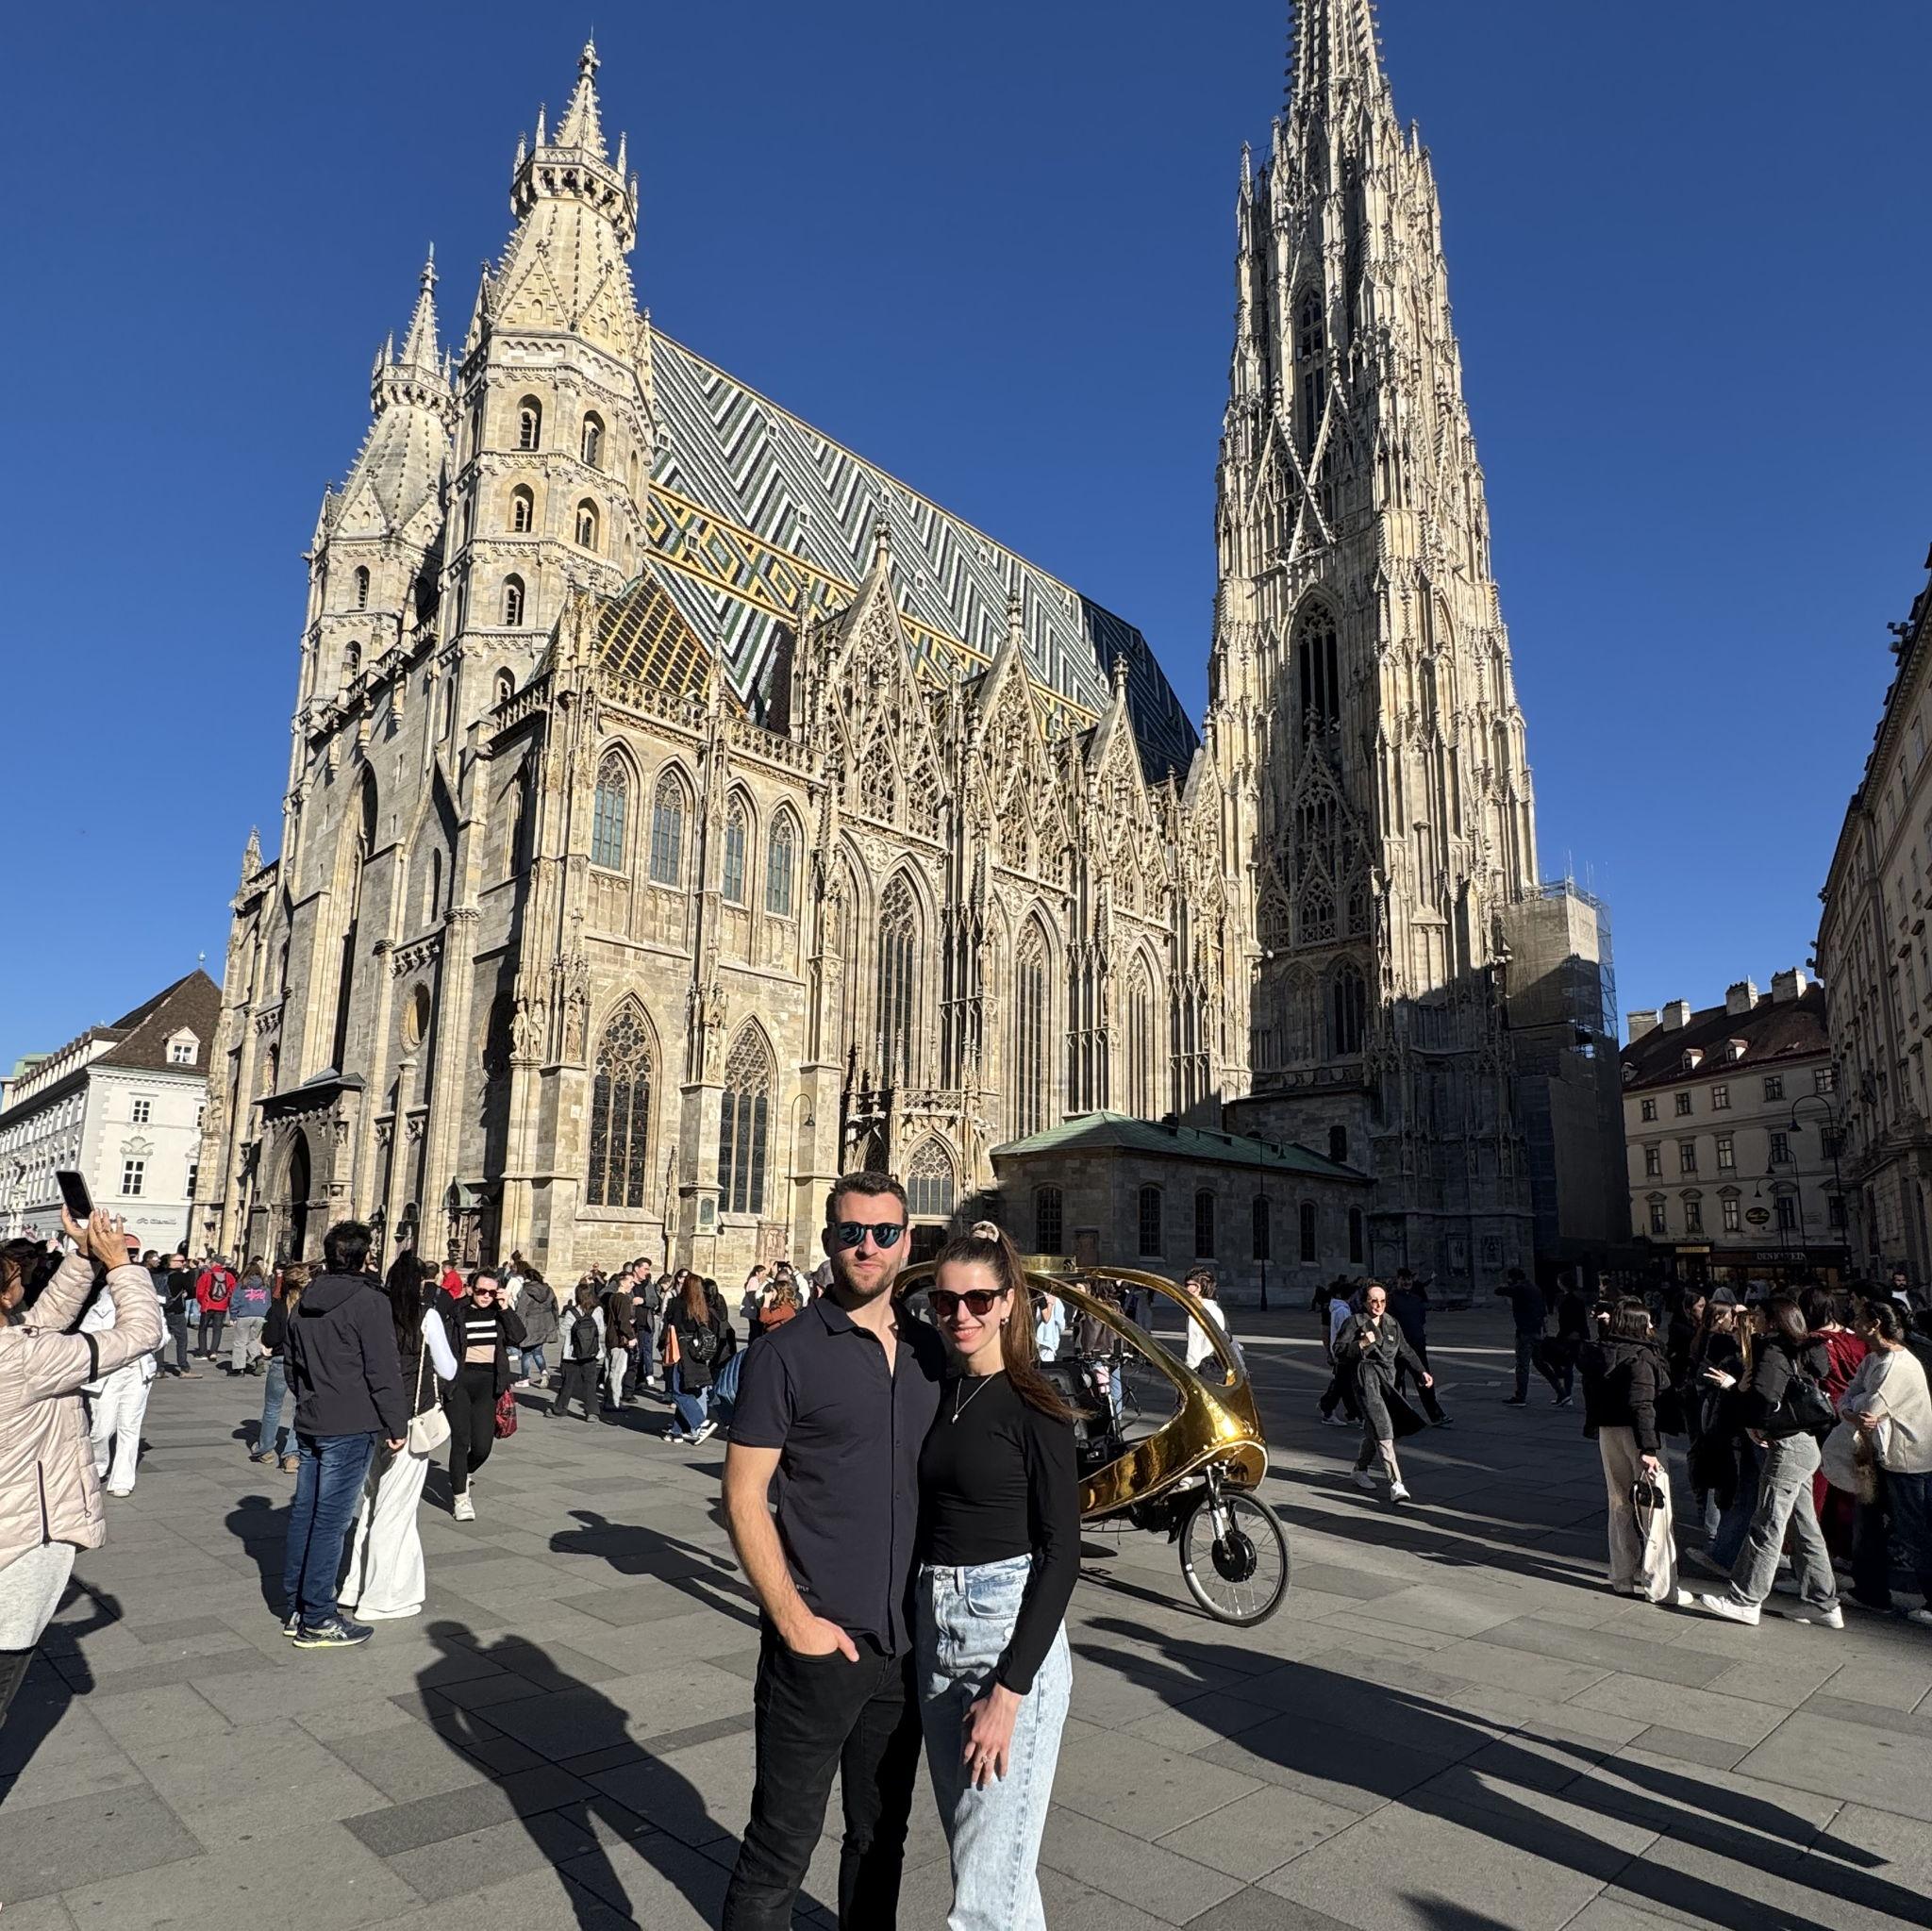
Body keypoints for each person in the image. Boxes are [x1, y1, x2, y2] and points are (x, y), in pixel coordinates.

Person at [721, 1171, 947, 1930]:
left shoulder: (928, 1352)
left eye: (884, 1232)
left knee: (881, 1840)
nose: (868, 1246)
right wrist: (794, 1622)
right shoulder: (784, 1353)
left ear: (907, 1241)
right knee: (778, 1850)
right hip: (817, 1645)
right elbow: (743, 1495)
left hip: (905, 1644)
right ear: (828, 1241)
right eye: (852, 1232)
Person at [916, 1223, 1078, 1930]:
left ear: (1010, 1302)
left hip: (1004, 1633)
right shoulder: (941, 1391)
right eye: (946, 1302)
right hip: (935, 1630)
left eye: (979, 1299)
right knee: (992, 1864)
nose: (962, 1315)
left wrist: (1010, 1693)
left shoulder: (1036, 1405)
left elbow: (1062, 1553)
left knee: (983, 1899)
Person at [0, 1211, 161, 1727]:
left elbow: (39, 1325)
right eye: (16, 1279)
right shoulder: (26, 1361)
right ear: (6, 1297)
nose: (24, 1285)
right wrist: (120, 1266)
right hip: (22, 1539)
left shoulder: (23, 1346)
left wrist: (83, 1257)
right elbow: (140, 1333)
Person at [280, 1221, 408, 1649]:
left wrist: (310, 1399)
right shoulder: (369, 1301)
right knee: (332, 1522)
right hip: (350, 1423)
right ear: (365, 1256)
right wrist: (396, 1423)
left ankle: (297, 1606)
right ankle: (318, 1617)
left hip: (312, 1419)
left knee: (305, 1513)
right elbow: (382, 1368)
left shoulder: (304, 1300)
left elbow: (291, 1365)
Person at [1694, 1295, 1840, 1629]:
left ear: (1774, 1320)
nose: (1754, 1321)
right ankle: (1824, 1602)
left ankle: (1745, 1599)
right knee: (1805, 1527)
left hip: (1786, 1446)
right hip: (1804, 1443)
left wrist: (1737, 1394)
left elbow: (1765, 1398)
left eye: (1759, 1315)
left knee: (1767, 1523)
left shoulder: (1772, 1349)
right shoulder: (1803, 1348)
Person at [339, 1253, 459, 1620]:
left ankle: (353, 1586)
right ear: (421, 1284)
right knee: (395, 1510)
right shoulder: (427, 1316)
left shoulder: (373, 1312)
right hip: (409, 1421)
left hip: (370, 1418)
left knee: (373, 1504)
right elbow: (448, 1368)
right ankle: (381, 1598)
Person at [1580, 1297, 1686, 1606]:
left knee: (1618, 1501)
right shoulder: (1640, 1356)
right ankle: (1661, 1585)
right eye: (1649, 1321)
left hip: (1607, 1432)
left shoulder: (1601, 1351)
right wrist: (1648, 1447)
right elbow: (1642, 1404)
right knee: (1655, 1508)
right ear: (1639, 1324)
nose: (1653, 1325)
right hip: (1638, 1435)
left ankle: (1622, 1575)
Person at [1840, 1300, 1932, 1622]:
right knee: (1867, 1526)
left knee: (1915, 1532)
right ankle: (1870, 1591)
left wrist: (1853, 1407)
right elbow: (1849, 1398)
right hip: (1875, 1454)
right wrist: (1852, 1408)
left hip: (1905, 1460)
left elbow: (1870, 1409)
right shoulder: (1873, 1359)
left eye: (1858, 1317)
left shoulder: (1897, 1364)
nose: (1852, 1322)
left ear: (1874, 1323)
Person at [1336, 1280, 1432, 1503]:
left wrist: (1421, 1372)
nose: (1378, 1305)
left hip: (1388, 1382)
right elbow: (1339, 1351)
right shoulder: (1355, 1322)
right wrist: (1360, 1345)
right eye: (1373, 1301)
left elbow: (1405, 1350)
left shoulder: (1391, 1323)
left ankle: (1360, 1469)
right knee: (1384, 1429)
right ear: (1365, 1302)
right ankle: (1396, 1483)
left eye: (1382, 1301)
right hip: (1365, 1381)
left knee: (1374, 1429)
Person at [441, 1269, 524, 1517]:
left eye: (491, 1292)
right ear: (470, 1288)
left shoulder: (499, 1314)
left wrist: (506, 1307)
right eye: (481, 1291)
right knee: (461, 1440)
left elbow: (519, 1337)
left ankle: (463, 1472)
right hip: (460, 1383)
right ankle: (460, 1498)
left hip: (489, 1384)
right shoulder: (457, 1312)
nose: (486, 1296)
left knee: (482, 1447)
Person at [81, 1253, 161, 1498]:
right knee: (102, 1429)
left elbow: (161, 1336)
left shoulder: (151, 1305)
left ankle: (122, 1479)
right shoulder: (103, 1303)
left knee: (129, 1426)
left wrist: (148, 1339)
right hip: (108, 1372)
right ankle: (99, 1466)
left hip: (137, 1371)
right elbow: (87, 1335)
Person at [1801, 1286, 1868, 1564]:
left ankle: (1815, 1554)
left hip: (1825, 1417)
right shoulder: (1855, 1339)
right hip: (1856, 1415)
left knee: (1818, 1488)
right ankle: (1846, 1547)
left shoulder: (1813, 1342)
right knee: (1849, 1487)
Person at [662, 1272, 730, 1444]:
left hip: (680, 1350)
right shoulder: (701, 1305)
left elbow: (671, 1324)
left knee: (677, 1391)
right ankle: (677, 1431)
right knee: (688, 1389)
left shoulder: (678, 1303)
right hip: (697, 1353)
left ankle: (700, 1423)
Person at [252, 1263, 308, 1470]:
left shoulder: (278, 1305)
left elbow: (271, 1336)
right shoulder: (310, 1307)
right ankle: (292, 1455)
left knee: (273, 1407)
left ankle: (266, 1449)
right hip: (303, 1361)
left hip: (280, 1360)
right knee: (298, 1408)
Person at [1388, 1269, 1449, 1426]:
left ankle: (1436, 1414)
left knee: (1425, 1379)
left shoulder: (1416, 1299)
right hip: (1398, 1348)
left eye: (1409, 1279)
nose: (1407, 1282)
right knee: (1396, 1381)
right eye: (1403, 1279)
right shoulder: (1391, 1299)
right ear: (1398, 1280)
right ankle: (1396, 1416)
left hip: (1417, 1346)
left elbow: (1421, 1320)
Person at [1498, 1267, 1561, 1406]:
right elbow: (1543, 1310)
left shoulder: (1520, 1288)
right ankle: (1560, 1392)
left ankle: (1520, 1397)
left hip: (1526, 1331)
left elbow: (1500, 1291)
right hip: (1537, 1331)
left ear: (1513, 1278)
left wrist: (1506, 1285)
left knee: (1522, 1365)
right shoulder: (1535, 1288)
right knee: (1540, 1363)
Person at [554, 1281, 606, 1421]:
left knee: (567, 1382)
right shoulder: (598, 1310)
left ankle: (560, 1409)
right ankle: (592, 1412)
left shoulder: (571, 1312)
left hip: (572, 1353)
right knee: (590, 1383)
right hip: (591, 1352)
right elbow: (600, 1330)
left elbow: (563, 1332)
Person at [1318, 1282, 1363, 1426]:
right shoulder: (1343, 1311)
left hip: (1340, 1351)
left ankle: (1352, 1413)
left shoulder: (1336, 1309)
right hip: (1344, 1352)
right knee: (1342, 1383)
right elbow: (1345, 1332)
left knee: (1345, 1383)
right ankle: (1327, 1408)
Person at [510, 1269, 558, 1389]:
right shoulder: (548, 1289)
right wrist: (554, 1323)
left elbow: (521, 1309)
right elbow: (555, 1307)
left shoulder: (526, 1290)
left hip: (530, 1325)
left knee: (526, 1352)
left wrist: (517, 1327)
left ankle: (525, 1378)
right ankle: (544, 1372)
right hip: (545, 1324)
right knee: (538, 1352)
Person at [225, 1257, 271, 1375]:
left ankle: (238, 1368)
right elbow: (269, 1301)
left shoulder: (242, 1284)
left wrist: (233, 1316)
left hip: (244, 1315)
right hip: (261, 1315)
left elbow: (234, 1301)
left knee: (240, 1341)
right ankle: (257, 1358)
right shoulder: (265, 1284)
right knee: (253, 1339)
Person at [602, 1267, 638, 1414]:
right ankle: (614, 1401)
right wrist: (631, 1337)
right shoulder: (623, 1298)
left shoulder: (612, 1297)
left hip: (611, 1337)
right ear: (622, 1283)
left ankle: (608, 1399)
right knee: (617, 1371)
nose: (633, 1285)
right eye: (630, 1282)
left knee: (608, 1369)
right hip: (619, 1339)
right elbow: (623, 1321)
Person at [193, 1256, 234, 1359]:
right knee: (217, 1330)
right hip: (221, 1307)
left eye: (211, 1262)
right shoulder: (229, 1276)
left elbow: (199, 1292)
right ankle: (213, 1352)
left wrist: (202, 1302)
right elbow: (232, 1291)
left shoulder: (206, 1275)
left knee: (203, 1329)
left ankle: (202, 1352)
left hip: (207, 1306)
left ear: (215, 1263)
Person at [1032, 1285, 1066, 1363]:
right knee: (1046, 1369)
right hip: (1048, 1340)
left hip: (1035, 1338)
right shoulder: (1055, 1300)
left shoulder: (1035, 1296)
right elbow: (1061, 1323)